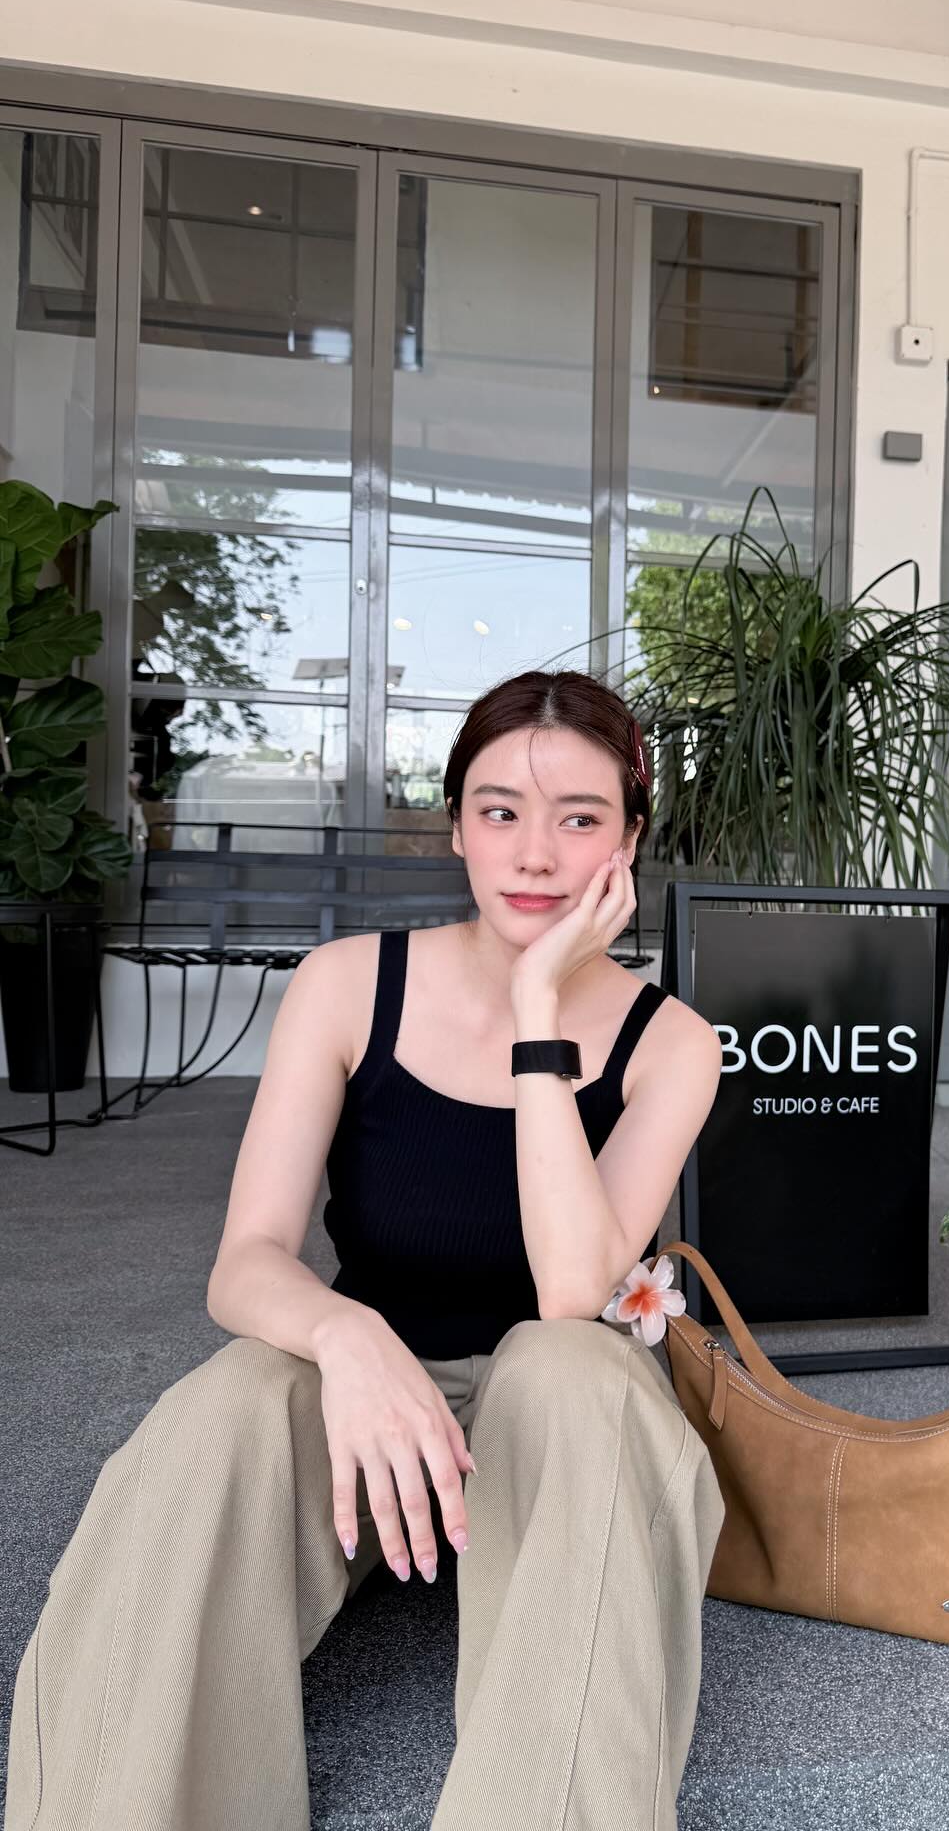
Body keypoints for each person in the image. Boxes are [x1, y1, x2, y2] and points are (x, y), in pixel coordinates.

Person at [4, 668, 728, 1831]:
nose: (535, 854)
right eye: (501, 811)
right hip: (370, 1388)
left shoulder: (672, 1041)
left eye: (580, 818)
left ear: (629, 843)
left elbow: (571, 1290)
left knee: (571, 1372)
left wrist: (539, 1014)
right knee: (227, 1404)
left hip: (561, 1416)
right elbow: (246, 1260)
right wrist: (349, 1338)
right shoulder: (349, 985)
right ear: (456, 826)